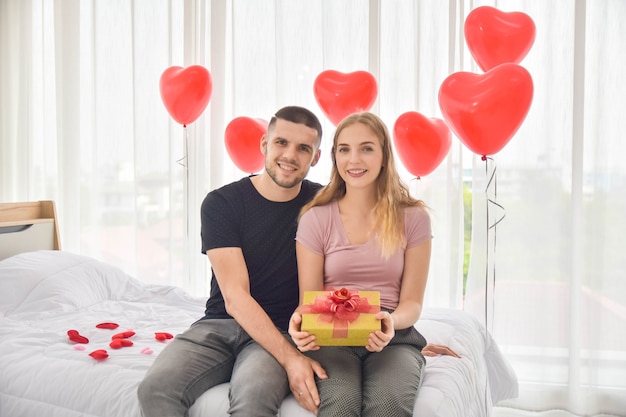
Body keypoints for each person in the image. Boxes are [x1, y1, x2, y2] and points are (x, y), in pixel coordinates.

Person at [137, 105, 329, 417]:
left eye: (303, 148)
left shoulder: (323, 204)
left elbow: (363, 264)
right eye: (281, 143)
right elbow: (235, 297)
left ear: (315, 157)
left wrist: (391, 334)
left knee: (252, 400)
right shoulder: (222, 203)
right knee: (154, 389)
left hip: (280, 331)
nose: (290, 155)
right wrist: (292, 360)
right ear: (265, 144)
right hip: (219, 326)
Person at [288, 111, 458, 417]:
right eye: (344, 149)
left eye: (366, 148)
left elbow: (412, 303)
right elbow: (309, 302)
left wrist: (390, 322)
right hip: (332, 337)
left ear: (384, 156)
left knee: (389, 405)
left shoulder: (414, 218)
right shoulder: (315, 219)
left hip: (393, 335)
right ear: (335, 157)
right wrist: (299, 324)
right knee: (339, 405)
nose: (354, 160)